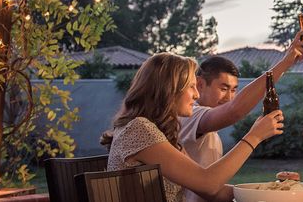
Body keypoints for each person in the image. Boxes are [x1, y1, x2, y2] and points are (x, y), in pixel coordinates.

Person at [101, 52, 284, 202]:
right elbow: (208, 183)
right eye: (191, 87)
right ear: (169, 89)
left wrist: (272, 191)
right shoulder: (140, 129)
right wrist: (254, 137)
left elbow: (212, 191)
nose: (196, 95)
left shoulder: (158, 132)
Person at [179, 33, 303, 202]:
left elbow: (212, 189)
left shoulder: (211, 132)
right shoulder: (190, 116)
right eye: (224, 88)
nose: (229, 97)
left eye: (234, 90)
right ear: (200, 84)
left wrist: (270, 191)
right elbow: (234, 110)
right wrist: (286, 62)